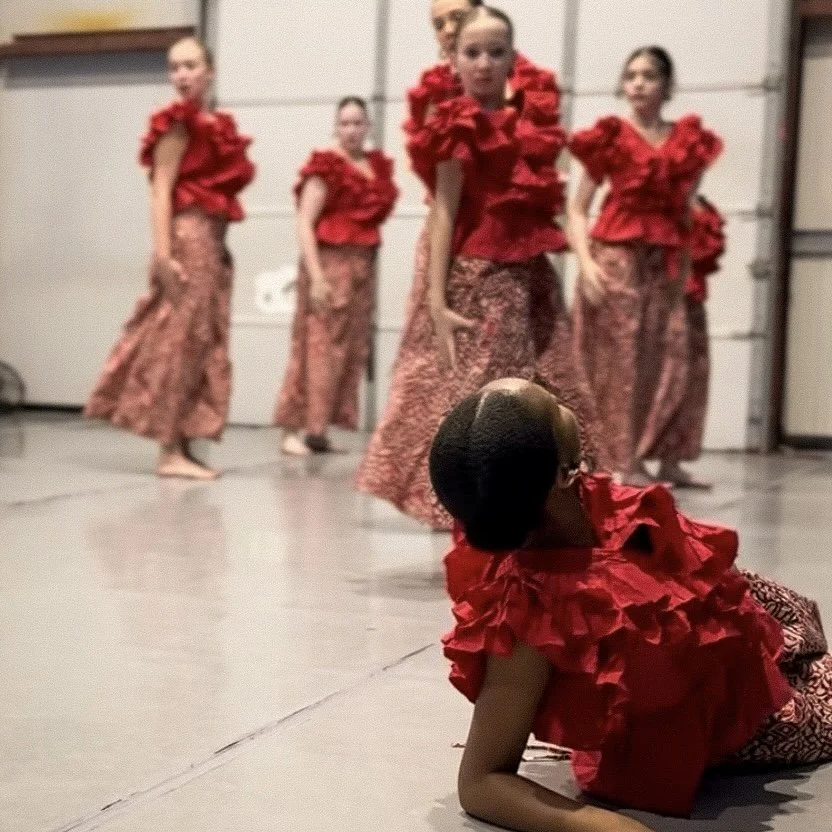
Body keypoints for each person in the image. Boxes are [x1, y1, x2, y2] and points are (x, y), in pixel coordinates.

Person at [429, 377, 832, 827]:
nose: (564, 401)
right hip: (721, 712)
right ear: (563, 473)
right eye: (555, 406)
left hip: (742, 633)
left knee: (796, 624)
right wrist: (607, 827)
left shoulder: (573, 502)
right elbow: (481, 782)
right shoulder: (531, 612)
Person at [357, 5, 601, 529]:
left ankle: (540, 507)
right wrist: (437, 300)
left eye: (496, 52)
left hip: (531, 274)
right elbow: (445, 210)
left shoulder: (528, 120)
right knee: (487, 394)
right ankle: (474, 514)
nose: (485, 63)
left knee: (557, 386)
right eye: (473, 52)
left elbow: (547, 204)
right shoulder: (456, 122)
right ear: (454, 59)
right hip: (480, 275)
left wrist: (578, 255)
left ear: (514, 58)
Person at [84, 36, 255, 479]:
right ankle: (168, 449)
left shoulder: (212, 122)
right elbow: (160, 191)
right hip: (188, 238)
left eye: (190, 65)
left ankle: (180, 440)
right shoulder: (177, 124)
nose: (180, 75)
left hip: (212, 241)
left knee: (200, 340)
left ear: (209, 70)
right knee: (179, 338)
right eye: (174, 67)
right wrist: (164, 254)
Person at [568, 46, 722, 487]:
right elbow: (578, 209)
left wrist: (689, 264)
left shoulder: (687, 141)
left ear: (667, 86)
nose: (637, 83)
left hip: (665, 261)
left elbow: (688, 211)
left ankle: (649, 454)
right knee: (617, 358)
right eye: (631, 75)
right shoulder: (611, 136)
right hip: (615, 256)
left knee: (663, 355)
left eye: (649, 75)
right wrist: (584, 263)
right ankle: (619, 459)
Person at [274, 98, 399, 455]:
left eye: (358, 123)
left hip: (361, 271)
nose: (352, 130)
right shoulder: (326, 167)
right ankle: (290, 428)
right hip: (328, 267)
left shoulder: (375, 168)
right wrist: (315, 276)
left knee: (347, 351)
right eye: (345, 123)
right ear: (335, 127)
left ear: (368, 127)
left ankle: (318, 430)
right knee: (314, 347)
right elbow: (304, 222)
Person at [656, 196, 726, 487]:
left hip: (692, 294)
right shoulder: (665, 197)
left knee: (694, 374)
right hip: (670, 292)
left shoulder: (700, 202)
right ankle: (632, 457)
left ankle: (671, 460)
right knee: (672, 373)